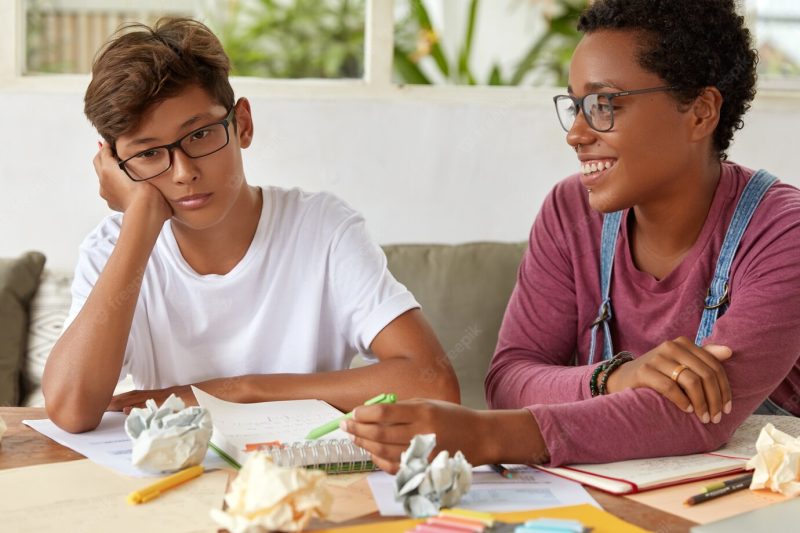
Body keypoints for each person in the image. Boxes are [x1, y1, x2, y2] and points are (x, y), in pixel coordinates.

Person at [342, 0, 800, 473]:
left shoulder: (782, 232)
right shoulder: (568, 213)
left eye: (604, 105)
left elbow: (704, 417)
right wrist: (615, 377)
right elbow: (509, 378)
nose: (576, 134)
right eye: (575, 106)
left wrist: (484, 435)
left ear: (701, 113)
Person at [42, 18, 459, 433]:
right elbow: (71, 410)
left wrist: (239, 391)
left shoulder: (322, 229)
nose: (184, 172)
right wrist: (140, 221)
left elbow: (433, 382)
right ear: (114, 166)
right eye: (149, 154)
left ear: (242, 123)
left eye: (201, 134)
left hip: (305, 481)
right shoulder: (112, 247)